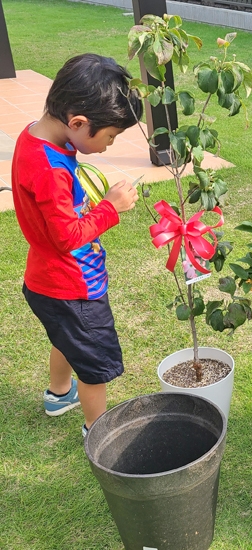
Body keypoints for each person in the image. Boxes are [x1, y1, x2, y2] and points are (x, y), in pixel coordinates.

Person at [11, 54, 144, 436]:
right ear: (78, 123)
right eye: (110, 137)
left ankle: (58, 394)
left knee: (66, 337)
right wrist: (110, 208)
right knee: (94, 363)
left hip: (46, 282)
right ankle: (97, 431)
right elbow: (67, 237)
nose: (107, 146)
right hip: (73, 287)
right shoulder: (51, 169)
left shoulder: (33, 136)